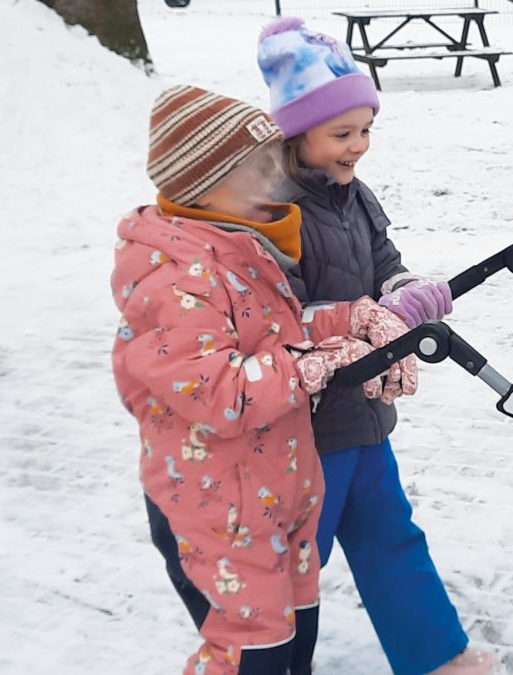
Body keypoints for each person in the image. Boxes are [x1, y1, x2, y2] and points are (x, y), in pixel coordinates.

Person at [111, 85, 412, 674]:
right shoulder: (175, 277)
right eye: (259, 169)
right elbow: (217, 391)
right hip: (215, 514)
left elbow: (270, 331)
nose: (279, 181)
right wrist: (316, 363)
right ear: (202, 185)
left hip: (275, 496)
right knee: (253, 658)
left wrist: (351, 317)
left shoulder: (239, 247)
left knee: (295, 647)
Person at [257, 18, 496, 675]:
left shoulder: (355, 197)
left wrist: (405, 289)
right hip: (307, 427)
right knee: (293, 563)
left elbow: (384, 261)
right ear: (297, 134)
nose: (358, 145)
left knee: (392, 537)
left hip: (363, 410)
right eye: (342, 133)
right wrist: (368, 319)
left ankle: (437, 656)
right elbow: (280, 317)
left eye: (365, 130)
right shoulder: (273, 214)